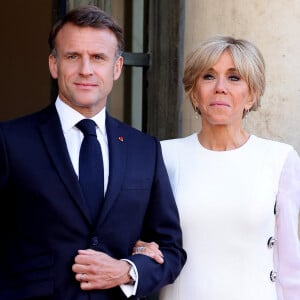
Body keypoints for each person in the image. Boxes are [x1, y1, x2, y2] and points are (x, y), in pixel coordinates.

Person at [0, 6, 186, 300]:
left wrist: (128, 270)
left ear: (116, 67)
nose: (85, 69)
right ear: (53, 64)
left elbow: (171, 249)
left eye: (98, 58)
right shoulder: (9, 141)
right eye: (73, 56)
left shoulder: (145, 149)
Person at [135, 36, 300, 300]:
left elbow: (290, 262)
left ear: (252, 95)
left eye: (234, 78)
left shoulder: (279, 159)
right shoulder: (164, 156)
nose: (220, 87)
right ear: (194, 93)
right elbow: (139, 240)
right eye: (209, 76)